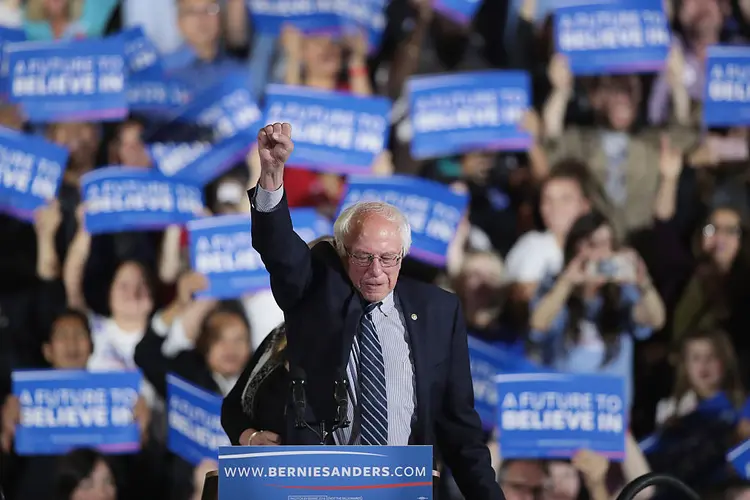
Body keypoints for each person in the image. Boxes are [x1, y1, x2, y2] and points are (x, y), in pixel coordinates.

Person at [244, 122, 503, 500]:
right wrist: (271, 174)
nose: (377, 271)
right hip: (323, 488)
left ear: (404, 255)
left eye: (388, 258)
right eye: (364, 257)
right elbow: (281, 251)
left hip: (403, 489)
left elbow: (460, 430)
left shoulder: (439, 312)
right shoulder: (315, 292)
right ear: (342, 252)